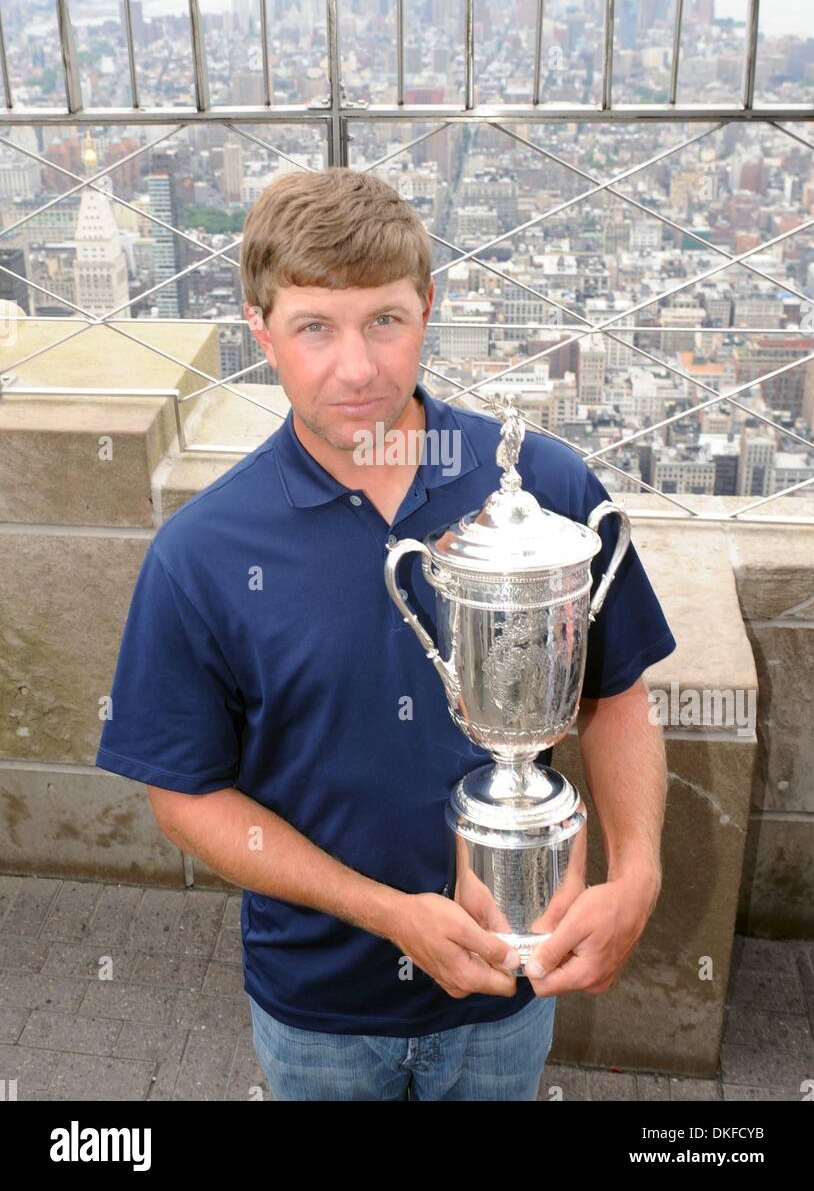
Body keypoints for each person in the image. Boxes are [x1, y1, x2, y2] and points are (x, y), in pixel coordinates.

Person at [95, 167, 677, 1102]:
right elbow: (184, 796)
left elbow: (615, 696)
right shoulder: (200, 553)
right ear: (260, 332)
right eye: (314, 327)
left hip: (511, 984)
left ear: (428, 309)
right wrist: (386, 915)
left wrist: (639, 874)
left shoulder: (546, 485)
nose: (357, 367)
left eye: (384, 321)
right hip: (318, 1005)